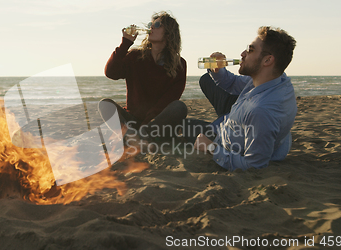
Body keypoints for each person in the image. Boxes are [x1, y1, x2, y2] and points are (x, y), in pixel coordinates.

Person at [186, 26, 297, 171]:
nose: (242, 54)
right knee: (186, 124)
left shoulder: (261, 111)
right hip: (229, 129)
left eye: (250, 50)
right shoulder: (275, 79)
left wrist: (210, 147)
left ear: (267, 60)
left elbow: (253, 165)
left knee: (180, 129)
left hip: (224, 145)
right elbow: (231, 83)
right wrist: (218, 70)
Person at [100, 11, 187, 146]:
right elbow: (111, 73)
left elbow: (168, 100)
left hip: (157, 124)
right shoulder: (135, 56)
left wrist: (146, 125)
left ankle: (135, 139)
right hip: (133, 121)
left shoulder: (179, 64)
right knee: (105, 104)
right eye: (150, 24)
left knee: (179, 107)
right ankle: (136, 139)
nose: (151, 27)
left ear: (169, 33)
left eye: (157, 24)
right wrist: (125, 44)